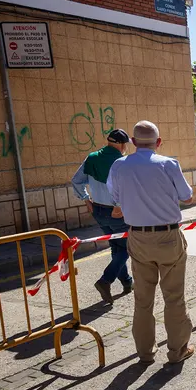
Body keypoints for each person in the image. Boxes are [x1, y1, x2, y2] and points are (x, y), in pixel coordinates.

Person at [107, 121, 196, 365]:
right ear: (158, 143)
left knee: (143, 298)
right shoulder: (168, 164)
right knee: (173, 296)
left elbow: (114, 197)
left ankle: (145, 352)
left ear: (133, 143)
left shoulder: (119, 166)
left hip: (137, 236)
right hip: (167, 235)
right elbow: (186, 197)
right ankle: (177, 351)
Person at [71, 128, 132, 304]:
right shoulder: (121, 161)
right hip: (116, 211)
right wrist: (119, 206)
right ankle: (105, 281)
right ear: (121, 144)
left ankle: (127, 282)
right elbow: (126, 187)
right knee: (127, 248)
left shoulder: (92, 158)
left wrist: (86, 199)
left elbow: (76, 180)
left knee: (116, 247)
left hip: (98, 210)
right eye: (125, 144)